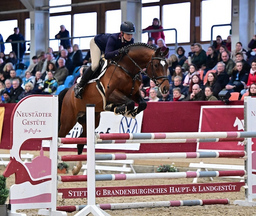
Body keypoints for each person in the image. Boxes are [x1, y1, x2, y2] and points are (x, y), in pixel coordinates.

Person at [74, 21, 135, 99]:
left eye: (131, 34)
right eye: (128, 34)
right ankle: (80, 86)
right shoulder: (113, 38)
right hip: (97, 44)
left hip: (109, 49)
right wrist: (119, 51)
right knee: (95, 65)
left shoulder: (131, 41)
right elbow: (107, 55)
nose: (130, 36)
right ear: (122, 33)